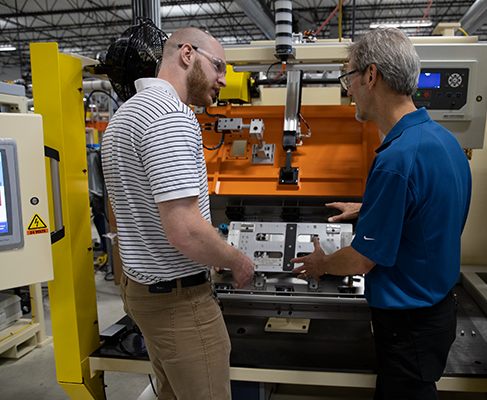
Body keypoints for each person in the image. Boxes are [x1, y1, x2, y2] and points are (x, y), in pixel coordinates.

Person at [291, 27, 472, 399]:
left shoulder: (395, 160)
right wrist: (369, 209)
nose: (348, 89)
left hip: (407, 326)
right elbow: (427, 209)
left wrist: (320, 264)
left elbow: (361, 261)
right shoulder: (444, 141)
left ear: (371, 76)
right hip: (437, 313)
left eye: (349, 77)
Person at [102, 27, 255, 400]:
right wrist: (236, 260)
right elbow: (185, 231)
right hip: (179, 303)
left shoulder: (121, 119)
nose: (223, 79)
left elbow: (118, 215)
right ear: (187, 54)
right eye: (218, 66)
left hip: (142, 293)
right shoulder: (171, 116)